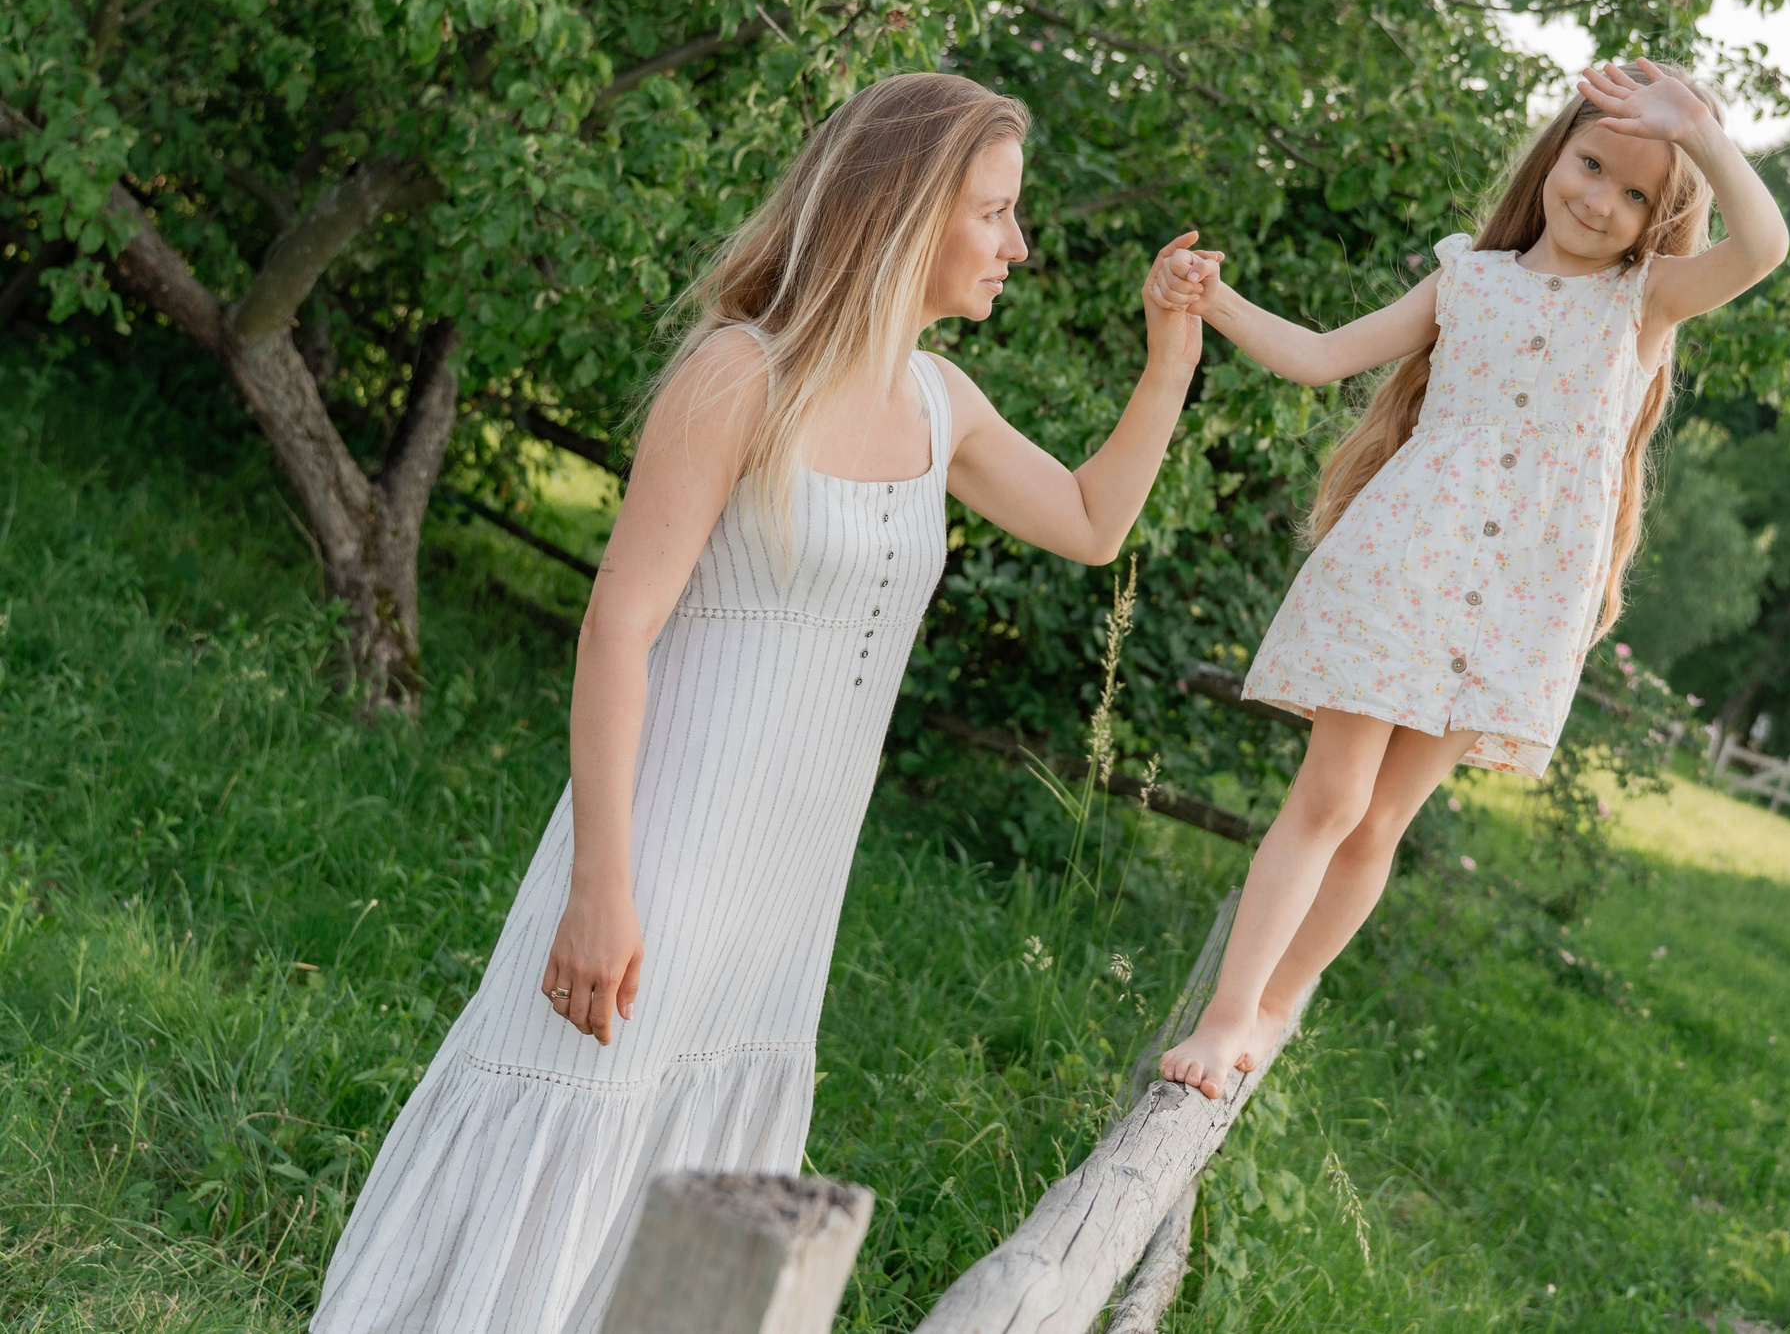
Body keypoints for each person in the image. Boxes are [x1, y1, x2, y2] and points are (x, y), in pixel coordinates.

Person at [315, 72, 1211, 1334]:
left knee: (710, 1163)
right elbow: (619, 626)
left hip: (792, 876)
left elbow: (1090, 518)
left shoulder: (939, 401)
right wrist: (599, 884)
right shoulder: (743, 375)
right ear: (907, 209)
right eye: (997, 212)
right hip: (663, 842)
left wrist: (1171, 353)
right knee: (587, 1110)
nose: (1019, 243)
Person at [1155, 59, 1790, 1098]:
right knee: (1329, 795)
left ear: (1654, 221)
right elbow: (1322, 356)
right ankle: (1228, 1010)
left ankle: (1274, 1010)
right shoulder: (1469, 278)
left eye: (1635, 194)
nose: (1600, 200)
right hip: (1405, 556)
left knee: (1379, 822)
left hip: (1517, 599)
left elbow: (1763, 248)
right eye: (1590, 166)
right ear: (1554, 155)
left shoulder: (1646, 303)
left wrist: (1704, 138)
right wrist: (1214, 300)